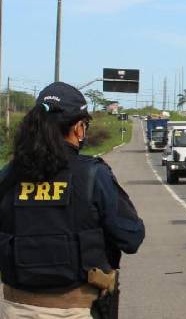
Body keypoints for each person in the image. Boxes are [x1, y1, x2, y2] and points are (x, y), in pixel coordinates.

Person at [0, 82, 145, 319]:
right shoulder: (92, 174)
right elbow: (131, 237)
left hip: (16, 308)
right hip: (77, 310)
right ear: (78, 128)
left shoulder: (8, 175)